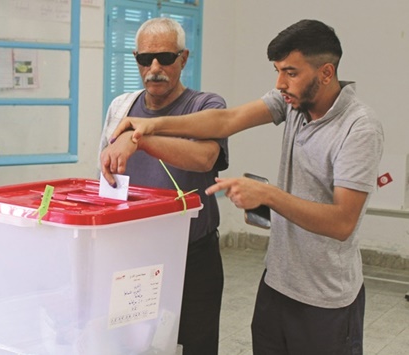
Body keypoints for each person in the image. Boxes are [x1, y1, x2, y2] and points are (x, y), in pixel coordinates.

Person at [107, 19, 384, 354]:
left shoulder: (359, 127)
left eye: (290, 72)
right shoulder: (293, 103)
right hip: (277, 284)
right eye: (277, 70)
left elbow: (342, 223)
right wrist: (150, 125)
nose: (280, 83)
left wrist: (267, 195)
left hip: (326, 297)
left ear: (326, 73)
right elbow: (227, 120)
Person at [99, 17, 229, 355]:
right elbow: (107, 173)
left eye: (165, 58)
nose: (154, 68)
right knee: (131, 345)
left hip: (192, 258)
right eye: (145, 59)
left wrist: (141, 138)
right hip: (131, 256)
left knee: (194, 345)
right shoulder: (121, 108)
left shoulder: (206, 106)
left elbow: (204, 158)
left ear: (183, 59)